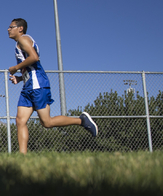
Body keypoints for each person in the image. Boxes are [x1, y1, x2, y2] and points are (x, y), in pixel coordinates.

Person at [7, 18, 98, 154]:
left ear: (20, 28)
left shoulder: (23, 39)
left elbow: (34, 57)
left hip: (37, 85)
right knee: (20, 120)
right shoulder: (20, 43)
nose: (8, 29)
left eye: (11, 27)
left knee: (47, 122)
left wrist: (15, 67)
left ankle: (81, 120)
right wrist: (20, 78)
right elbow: (31, 66)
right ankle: (22, 157)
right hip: (28, 85)